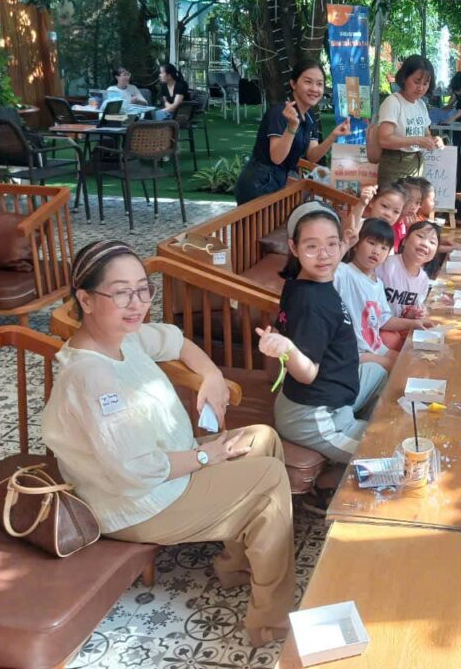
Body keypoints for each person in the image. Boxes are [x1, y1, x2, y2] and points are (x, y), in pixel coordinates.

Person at [40, 241, 294, 647]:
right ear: (86, 300)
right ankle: (270, 622)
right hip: (135, 503)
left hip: (170, 472)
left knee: (262, 438)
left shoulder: (123, 336)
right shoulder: (92, 378)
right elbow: (139, 471)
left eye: (143, 289)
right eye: (121, 292)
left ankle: (237, 566)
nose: (137, 303)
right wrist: (207, 454)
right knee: (268, 477)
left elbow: (176, 341)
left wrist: (212, 375)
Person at [263, 202, 388, 468]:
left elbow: (326, 256)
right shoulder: (312, 305)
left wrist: (345, 243)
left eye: (332, 244)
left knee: (379, 373)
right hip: (314, 416)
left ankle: (347, 443)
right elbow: (307, 374)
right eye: (312, 246)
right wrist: (287, 348)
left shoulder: (302, 279)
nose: (324, 255)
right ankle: (345, 443)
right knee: (384, 451)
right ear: (294, 247)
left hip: (336, 395)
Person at [235, 59, 352, 205]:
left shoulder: (309, 117)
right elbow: (277, 158)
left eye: (319, 84)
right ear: (293, 84)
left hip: (278, 181)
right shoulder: (279, 112)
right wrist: (292, 126)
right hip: (258, 184)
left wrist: (333, 136)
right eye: (308, 82)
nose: (314, 89)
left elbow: (312, 155)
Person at [334, 218, 433, 372]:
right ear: (356, 244)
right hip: (355, 352)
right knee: (400, 370)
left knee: (411, 362)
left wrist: (413, 323)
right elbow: (327, 270)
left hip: (374, 346)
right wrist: (345, 244)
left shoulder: (378, 283)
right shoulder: (344, 272)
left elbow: (384, 320)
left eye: (384, 248)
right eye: (371, 243)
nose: (376, 251)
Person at [371, 55, 443, 186]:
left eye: (425, 84)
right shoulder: (393, 102)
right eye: (416, 82)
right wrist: (417, 140)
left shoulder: (421, 104)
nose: (420, 88)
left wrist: (434, 140)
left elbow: (426, 134)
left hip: (416, 165)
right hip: (395, 165)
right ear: (404, 78)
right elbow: (383, 140)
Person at [378, 220, 440, 323]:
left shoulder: (423, 280)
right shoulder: (384, 265)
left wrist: (413, 314)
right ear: (405, 240)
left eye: (432, 242)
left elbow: (404, 314)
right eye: (420, 236)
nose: (425, 244)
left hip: (399, 327)